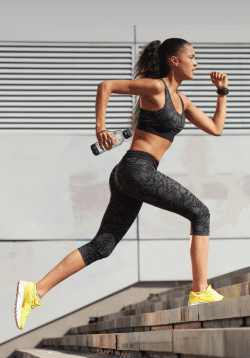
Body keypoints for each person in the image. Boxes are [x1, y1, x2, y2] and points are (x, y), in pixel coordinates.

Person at [15, 38, 230, 331]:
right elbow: (106, 86)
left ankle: (35, 291)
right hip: (137, 169)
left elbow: (216, 129)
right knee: (200, 213)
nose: (197, 62)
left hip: (130, 174)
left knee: (102, 246)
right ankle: (200, 290)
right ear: (174, 61)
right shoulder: (155, 88)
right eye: (191, 56)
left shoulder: (185, 102)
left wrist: (222, 92)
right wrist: (100, 127)